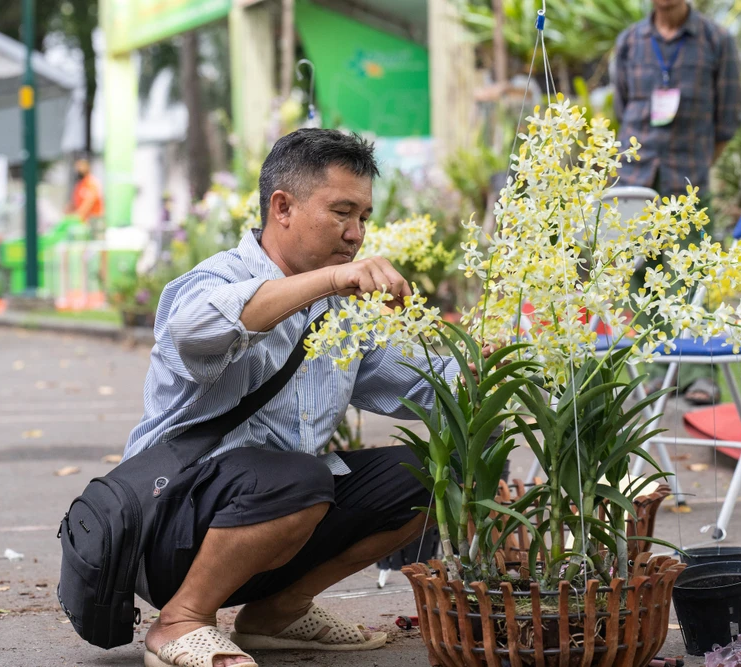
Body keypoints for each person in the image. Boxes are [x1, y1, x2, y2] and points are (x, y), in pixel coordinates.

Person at [123, 129, 459, 667]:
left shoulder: (342, 312)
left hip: (275, 515)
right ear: (282, 207)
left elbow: (428, 385)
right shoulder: (213, 280)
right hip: (166, 528)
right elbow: (194, 332)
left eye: (364, 218)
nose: (355, 235)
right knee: (298, 476)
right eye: (342, 213)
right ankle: (180, 621)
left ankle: (278, 612)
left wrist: (493, 361)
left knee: (430, 473)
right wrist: (329, 279)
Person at [612, 0, 741, 403]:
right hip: (636, 176)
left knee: (693, 276)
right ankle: (662, 368)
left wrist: (699, 164)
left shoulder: (716, 40)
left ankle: (701, 375)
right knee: (641, 277)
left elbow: (729, 117)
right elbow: (622, 107)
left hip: (688, 180)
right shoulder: (630, 41)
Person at [68, 156, 104, 233]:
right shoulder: (80, 184)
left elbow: (88, 203)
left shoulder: (91, 183)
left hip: (92, 224)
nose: (78, 168)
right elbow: (74, 203)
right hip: (82, 224)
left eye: (81, 165)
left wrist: (76, 216)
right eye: (77, 165)